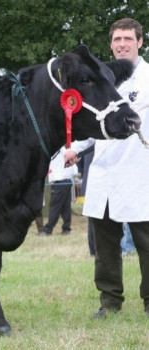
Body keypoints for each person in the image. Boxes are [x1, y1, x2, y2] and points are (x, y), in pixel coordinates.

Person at [64, 18, 149, 319]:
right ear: (111, 44)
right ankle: (110, 302)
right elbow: (94, 124)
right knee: (105, 245)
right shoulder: (100, 78)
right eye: (117, 39)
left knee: (146, 243)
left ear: (140, 42)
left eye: (128, 38)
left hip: (139, 172)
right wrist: (76, 149)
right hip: (103, 171)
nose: (122, 44)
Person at [37, 146, 76, 236]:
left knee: (54, 206)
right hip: (66, 179)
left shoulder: (56, 149)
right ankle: (66, 229)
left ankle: (48, 229)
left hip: (59, 180)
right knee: (65, 207)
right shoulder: (63, 150)